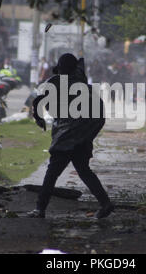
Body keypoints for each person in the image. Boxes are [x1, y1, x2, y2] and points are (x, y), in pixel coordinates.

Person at [28, 53, 114, 219]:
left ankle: (39, 209)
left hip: (65, 138)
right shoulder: (84, 87)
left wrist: (39, 119)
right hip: (82, 138)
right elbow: (100, 115)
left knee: (52, 173)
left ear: (60, 69)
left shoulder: (55, 83)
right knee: (84, 171)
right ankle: (105, 203)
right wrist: (88, 136)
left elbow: (38, 102)